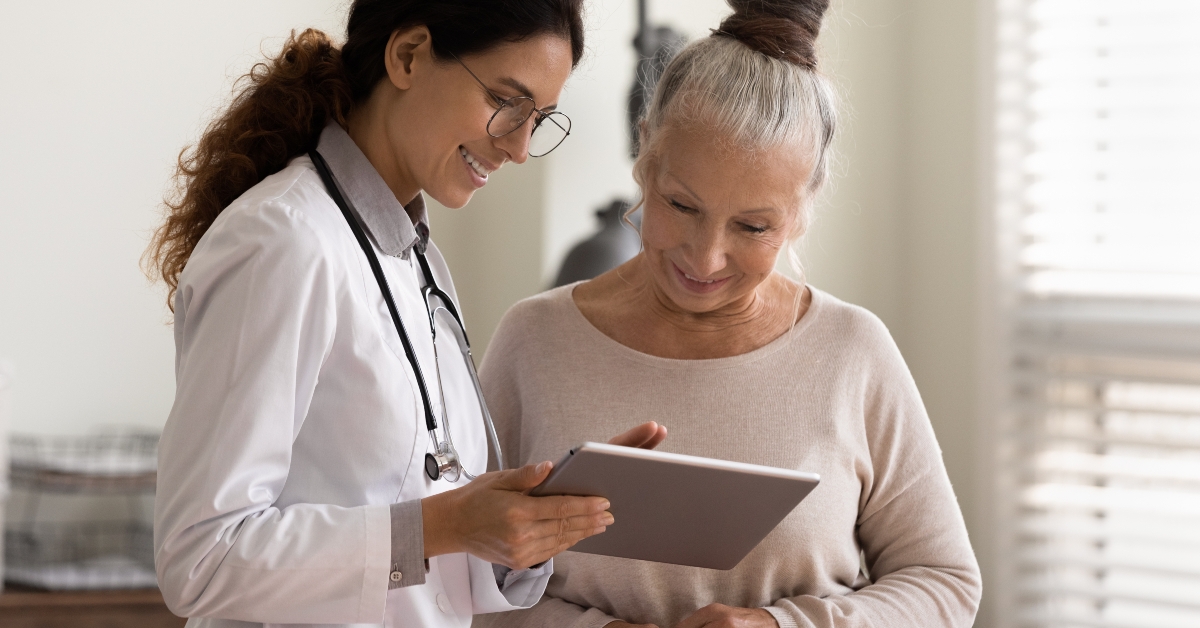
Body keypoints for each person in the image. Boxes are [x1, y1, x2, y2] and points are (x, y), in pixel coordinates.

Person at [146, 2, 662, 626]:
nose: (521, 148)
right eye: (507, 101)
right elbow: (201, 561)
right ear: (408, 55)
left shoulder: (419, 262)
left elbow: (422, 561)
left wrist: (530, 523)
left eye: (539, 120)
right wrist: (440, 526)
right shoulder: (284, 243)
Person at [474, 1, 984, 627]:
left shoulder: (853, 351)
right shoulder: (535, 341)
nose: (706, 256)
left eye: (752, 226)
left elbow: (945, 584)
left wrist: (783, 626)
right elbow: (464, 581)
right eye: (681, 206)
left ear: (802, 210)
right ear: (644, 156)